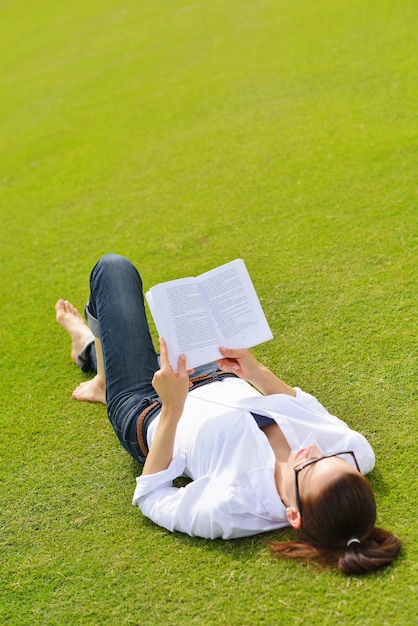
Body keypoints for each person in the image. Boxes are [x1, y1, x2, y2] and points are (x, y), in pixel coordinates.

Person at [55, 254, 401, 575]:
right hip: (221, 374)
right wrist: (255, 371)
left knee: (113, 268)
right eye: (328, 457)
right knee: (186, 304)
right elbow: (304, 405)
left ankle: (94, 360)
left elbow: (151, 496)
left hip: (150, 408)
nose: (311, 451)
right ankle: (99, 370)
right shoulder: (355, 454)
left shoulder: (232, 508)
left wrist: (173, 407)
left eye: (307, 467)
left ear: (293, 516)